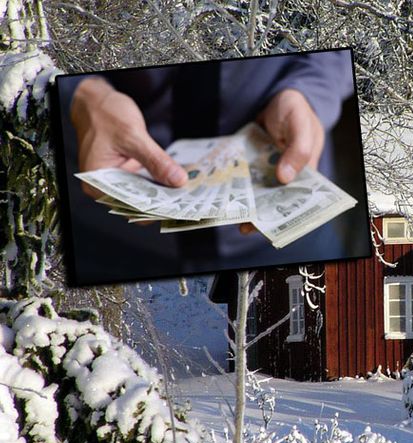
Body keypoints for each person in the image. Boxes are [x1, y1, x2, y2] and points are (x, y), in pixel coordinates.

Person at [56, 50, 369, 284]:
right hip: (105, 233)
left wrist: (309, 93)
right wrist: (81, 95)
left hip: (290, 237)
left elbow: (336, 21)